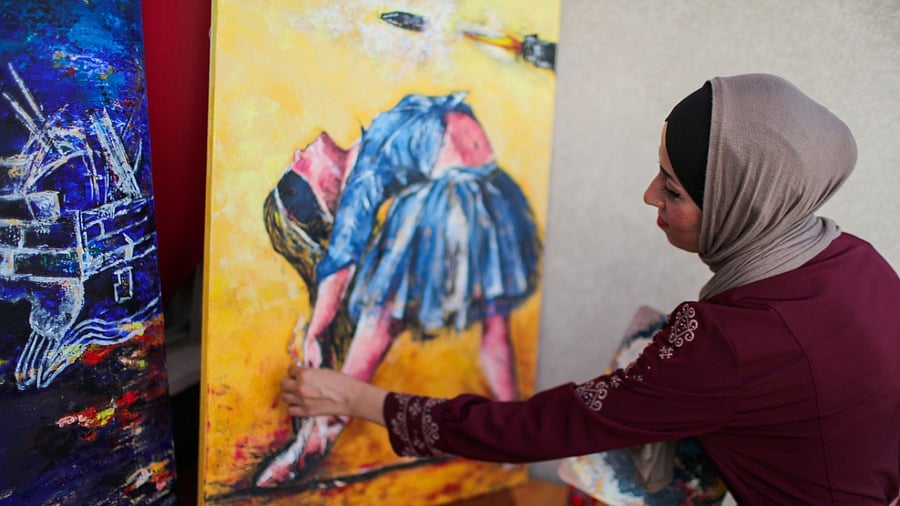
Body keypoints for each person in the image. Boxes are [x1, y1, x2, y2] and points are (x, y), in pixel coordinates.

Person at [276, 74, 900, 505]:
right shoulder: (856, 260)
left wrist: (360, 399)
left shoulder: (727, 344)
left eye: (673, 188)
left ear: (744, 203)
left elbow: (544, 429)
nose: (649, 196)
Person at [256, 93, 542, 486]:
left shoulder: (373, 143)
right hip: (463, 197)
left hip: (483, 192)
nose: (295, 157)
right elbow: (341, 259)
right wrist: (318, 331)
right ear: (326, 197)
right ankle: (318, 437)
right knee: (381, 314)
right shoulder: (362, 179)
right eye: (295, 182)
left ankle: (513, 438)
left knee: (493, 329)